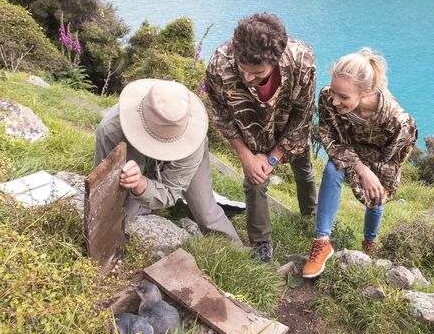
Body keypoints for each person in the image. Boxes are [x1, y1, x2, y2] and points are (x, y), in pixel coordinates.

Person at [205, 13, 318, 262]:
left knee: (304, 170)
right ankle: (261, 243)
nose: (248, 78)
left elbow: (302, 117)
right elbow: (221, 115)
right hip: (251, 132)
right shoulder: (219, 65)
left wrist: (274, 158)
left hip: (289, 129)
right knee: (254, 181)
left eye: (257, 73)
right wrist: (246, 156)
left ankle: (310, 215)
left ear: (275, 61)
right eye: (243, 69)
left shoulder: (301, 61)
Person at [302, 48, 417, 278]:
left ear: (368, 91)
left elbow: (395, 158)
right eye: (334, 91)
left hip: (383, 159)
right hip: (348, 150)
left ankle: (369, 241)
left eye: (343, 97)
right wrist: (360, 168)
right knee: (333, 169)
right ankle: (322, 242)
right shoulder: (328, 99)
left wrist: (372, 175)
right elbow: (329, 137)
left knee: (376, 195)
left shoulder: (398, 121)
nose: (334, 101)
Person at [94, 78, 243, 247]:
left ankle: (236, 250)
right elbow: (105, 188)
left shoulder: (192, 143)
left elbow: (171, 192)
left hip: (186, 149)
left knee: (205, 209)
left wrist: (142, 184)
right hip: (129, 149)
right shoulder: (111, 131)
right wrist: (135, 185)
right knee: (125, 211)